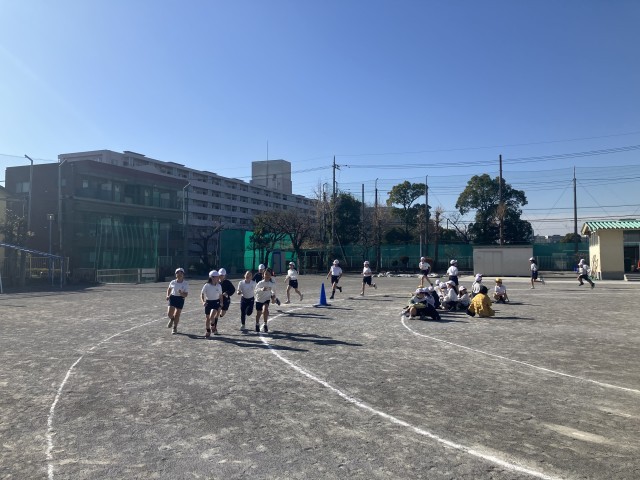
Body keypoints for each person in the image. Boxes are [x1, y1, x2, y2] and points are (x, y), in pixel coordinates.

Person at [166, 267, 189, 335]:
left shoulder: (185, 283)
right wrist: (167, 295)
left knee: (177, 314)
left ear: (183, 274)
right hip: (173, 297)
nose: (179, 274)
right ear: (175, 274)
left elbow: (186, 295)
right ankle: (172, 319)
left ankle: (174, 327)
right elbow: (169, 289)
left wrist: (181, 293)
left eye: (181, 272)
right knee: (169, 314)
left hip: (180, 299)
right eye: (177, 273)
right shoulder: (172, 282)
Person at [200, 270, 222, 337]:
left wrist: (221, 302)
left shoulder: (219, 286)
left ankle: (212, 325)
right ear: (212, 277)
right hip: (208, 302)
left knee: (212, 316)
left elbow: (220, 295)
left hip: (216, 302)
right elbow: (202, 294)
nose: (218, 278)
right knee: (207, 318)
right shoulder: (206, 285)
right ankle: (208, 330)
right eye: (217, 277)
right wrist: (203, 301)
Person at [254, 268, 277, 333]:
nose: (267, 276)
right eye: (266, 274)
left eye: (269, 274)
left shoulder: (271, 284)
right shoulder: (260, 283)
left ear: (270, 276)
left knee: (265, 310)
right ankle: (257, 324)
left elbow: (273, 292)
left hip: (266, 299)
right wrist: (261, 289)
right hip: (259, 299)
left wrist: (273, 298)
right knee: (258, 314)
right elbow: (255, 291)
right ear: (263, 275)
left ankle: (265, 324)